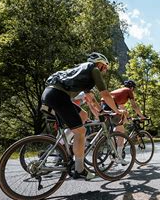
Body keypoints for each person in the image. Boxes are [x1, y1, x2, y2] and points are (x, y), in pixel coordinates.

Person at [41, 52, 126, 180]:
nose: (104, 71)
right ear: (100, 64)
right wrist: (117, 111)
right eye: (105, 67)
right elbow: (105, 95)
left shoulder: (83, 73)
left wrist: (101, 111)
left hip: (50, 93)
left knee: (84, 115)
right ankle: (79, 170)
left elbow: (91, 99)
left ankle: (65, 143)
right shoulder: (94, 69)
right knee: (81, 132)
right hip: (59, 96)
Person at [101, 80, 146, 155]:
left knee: (121, 125)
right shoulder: (129, 91)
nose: (133, 91)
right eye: (134, 89)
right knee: (121, 132)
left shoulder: (121, 92)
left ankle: (114, 138)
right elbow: (134, 106)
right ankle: (119, 155)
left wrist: (129, 118)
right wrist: (142, 116)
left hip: (104, 104)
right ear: (132, 88)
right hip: (110, 105)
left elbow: (123, 109)